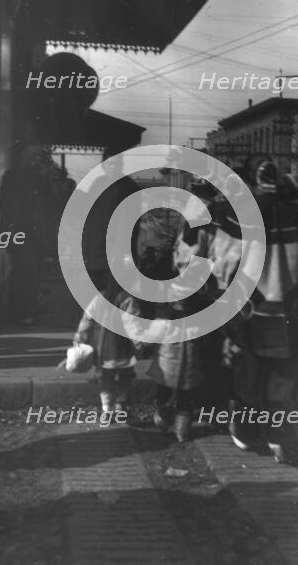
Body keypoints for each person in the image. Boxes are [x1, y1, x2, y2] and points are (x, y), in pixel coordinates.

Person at [225, 155, 298, 464]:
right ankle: (281, 440)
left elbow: (227, 268)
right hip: (290, 312)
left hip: (252, 313)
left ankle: (248, 436)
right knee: (285, 380)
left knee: (250, 379)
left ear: (253, 182)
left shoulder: (243, 217)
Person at [72, 273, 147, 415]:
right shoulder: (126, 299)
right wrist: (140, 345)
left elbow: (87, 319)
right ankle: (120, 403)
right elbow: (133, 326)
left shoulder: (100, 296)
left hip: (101, 348)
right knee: (125, 375)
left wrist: (80, 338)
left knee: (106, 378)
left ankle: (106, 409)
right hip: (121, 347)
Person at [0, 144, 57, 325]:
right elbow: (7, 205)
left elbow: (51, 199)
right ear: (21, 154)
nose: (34, 158)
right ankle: (18, 312)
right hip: (20, 230)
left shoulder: (37, 176)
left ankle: (27, 309)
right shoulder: (12, 175)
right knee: (23, 271)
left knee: (33, 272)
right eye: (30, 154)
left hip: (35, 232)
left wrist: (46, 174)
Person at [148, 282, 206, 442]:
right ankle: (182, 431)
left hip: (167, 366)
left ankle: (163, 420)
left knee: (163, 394)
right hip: (190, 366)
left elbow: (152, 335)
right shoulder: (199, 319)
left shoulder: (165, 317)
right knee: (186, 399)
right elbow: (203, 340)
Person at [82, 148, 140, 292]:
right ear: (103, 165)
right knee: (93, 296)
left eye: (117, 164)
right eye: (110, 163)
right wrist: (84, 249)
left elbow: (127, 226)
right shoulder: (96, 184)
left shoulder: (129, 188)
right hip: (94, 252)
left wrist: (120, 254)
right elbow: (88, 219)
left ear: (122, 165)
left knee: (113, 296)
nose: (114, 167)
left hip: (115, 255)